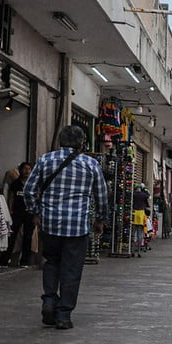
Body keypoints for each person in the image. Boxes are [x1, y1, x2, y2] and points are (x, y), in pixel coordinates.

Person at [23, 125, 108, 329]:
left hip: (50, 224)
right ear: (81, 144)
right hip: (77, 227)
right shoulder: (90, 163)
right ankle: (63, 315)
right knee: (71, 269)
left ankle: (49, 301)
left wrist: (36, 211)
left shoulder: (45, 160)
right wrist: (100, 219)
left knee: (51, 262)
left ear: (60, 141)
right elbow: (102, 195)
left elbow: (28, 190)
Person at [0, 162, 35, 268]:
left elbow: (36, 197)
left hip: (29, 213)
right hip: (17, 213)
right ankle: (3, 261)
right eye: (25, 169)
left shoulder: (32, 184)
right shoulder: (16, 184)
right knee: (11, 236)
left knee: (27, 237)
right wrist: (9, 210)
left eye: (29, 169)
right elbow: (11, 197)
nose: (27, 171)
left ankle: (24, 261)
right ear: (20, 170)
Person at [131, 185, 150, 256]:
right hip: (141, 213)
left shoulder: (134, 194)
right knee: (140, 233)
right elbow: (148, 197)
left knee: (133, 233)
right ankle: (138, 251)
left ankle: (132, 250)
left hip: (134, 213)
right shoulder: (144, 195)